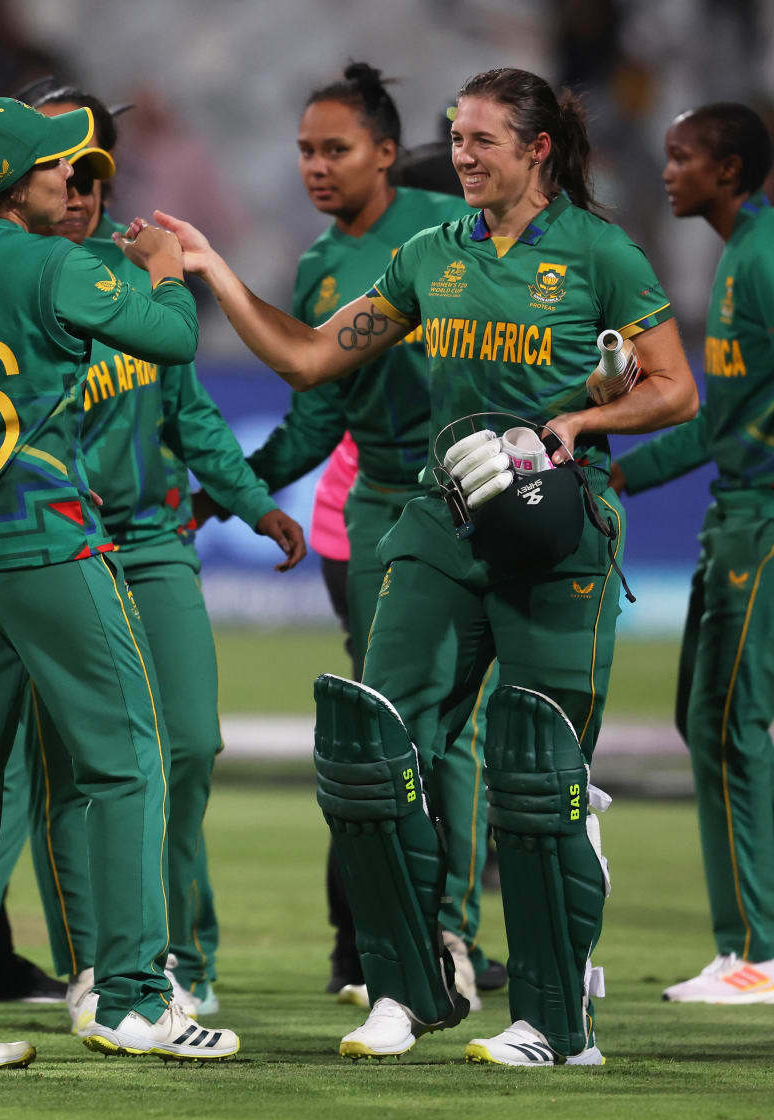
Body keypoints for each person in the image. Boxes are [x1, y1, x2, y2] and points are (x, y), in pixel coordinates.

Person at [136, 65, 698, 1065]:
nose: (465, 155)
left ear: (535, 149)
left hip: (557, 534)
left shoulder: (601, 254)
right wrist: (214, 267)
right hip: (441, 527)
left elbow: (673, 390)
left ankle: (555, 1021)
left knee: (537, 768)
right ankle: (407, 987)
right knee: (370, 744)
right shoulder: (431, 257)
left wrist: (577, 419)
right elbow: (310, 360)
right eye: (458, 136)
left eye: (483, 139)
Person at [0, 82, 305, 1033]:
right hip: (51, 545)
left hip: (130, 544)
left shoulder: (67, 275)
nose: (78, 190)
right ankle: (111, 976)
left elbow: (190, 412)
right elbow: (165, 334)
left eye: (91, 175)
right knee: (86, 764)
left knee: (178, 747)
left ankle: (167, 954)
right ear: (23, 183)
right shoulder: (39, 281)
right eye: (61, 171)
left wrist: (249, 502)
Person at [234, 62, 500, 1009]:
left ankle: (449, 932)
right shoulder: (316, 267)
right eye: (305, 150)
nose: (316, 166)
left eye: (334, 149)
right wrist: (232, 489)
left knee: (454, 733)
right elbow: (317, 419)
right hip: (376, 513)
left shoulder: (446, 242)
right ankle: (389, 937)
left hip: (471, 504)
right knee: (394, 733)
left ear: (387, 154)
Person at [612, 102, 774, 1004]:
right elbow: (725, 416)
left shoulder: (766, 255)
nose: (668, 171)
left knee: (730, 725)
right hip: (736, 511)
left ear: (730, 168)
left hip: (764, 518)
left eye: (682, 158)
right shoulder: (738, 256)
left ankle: (758, 951)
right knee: (703, 720)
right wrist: (627, 476)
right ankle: (742, 944)